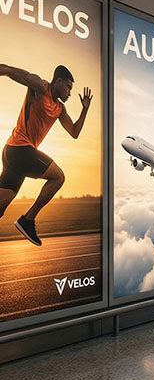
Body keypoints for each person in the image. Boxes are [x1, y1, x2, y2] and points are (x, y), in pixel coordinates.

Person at [0, 63, 92, 246]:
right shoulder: (40, 87)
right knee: (58, 177)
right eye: (68, 87)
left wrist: (85, 109)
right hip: (20, 149)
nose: (70, 93)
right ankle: (27, 220)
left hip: (15, 155)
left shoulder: (59, 109)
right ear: (58, 81)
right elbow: (10, 71)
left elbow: (74, 132)